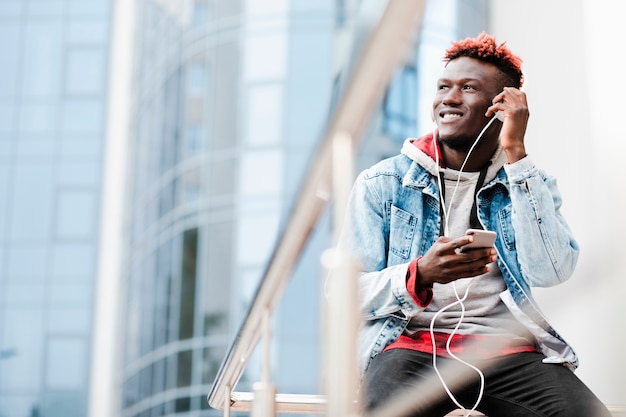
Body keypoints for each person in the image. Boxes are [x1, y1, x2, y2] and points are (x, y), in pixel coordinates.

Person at [342, 32, 611, 416]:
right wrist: (419, 274)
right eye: (443, 87)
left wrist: (516, 152)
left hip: (503, 350)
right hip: (410, 345)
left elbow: (552, 272)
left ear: (501, 106)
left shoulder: (529, 181)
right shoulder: (382, 183)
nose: (448, 99)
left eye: (468, 88)